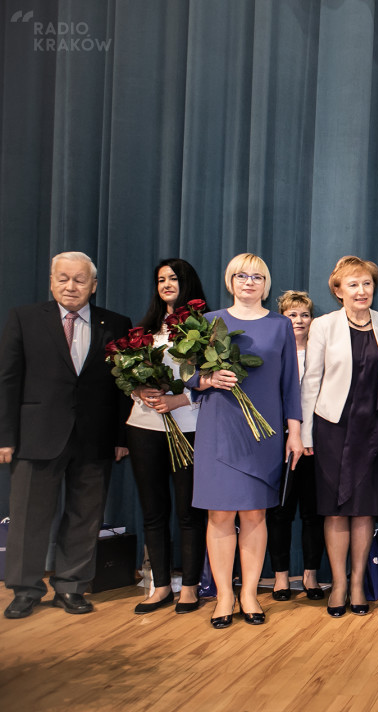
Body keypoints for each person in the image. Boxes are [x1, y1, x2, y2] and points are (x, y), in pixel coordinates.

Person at [1, 251, 131, 620]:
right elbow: (7, 379)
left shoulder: (116, 324)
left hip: (94, 436)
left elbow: (122, 387)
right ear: (52, 281)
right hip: (36, 435)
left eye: (79, 279)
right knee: (28, 516)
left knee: (85, 515)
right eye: (63, 278)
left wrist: (121, 437)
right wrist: (5, 436)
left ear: (93, 285)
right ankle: (25, 590)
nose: (70, 286)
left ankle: (71, 586)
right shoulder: (24, 318)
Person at [193, 253, 304, 628]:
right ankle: (224, 595)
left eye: (257, 276)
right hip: (219, 429)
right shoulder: (210, 322)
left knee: (256, 514)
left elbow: (290, 384)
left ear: (266, 285)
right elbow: (188, 375)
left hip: (264, 432)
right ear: (230, 281)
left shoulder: (280, 325)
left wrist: (295, 432)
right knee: (220, 514)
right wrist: (208, 379)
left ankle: (250, 594)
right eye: (241, 275)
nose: (249, 282)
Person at [301, 258, 378, 617]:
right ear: (338, 291)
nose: (361, 290)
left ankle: (357, 584)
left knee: (364, 510)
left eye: (367, 283)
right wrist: (305, 432)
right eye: (353, 284)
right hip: (333, 428)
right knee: (336, 511)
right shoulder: (323, 326)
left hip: (375, 431)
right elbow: (311, 381)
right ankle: (338, 584)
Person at [127, 259, 209, 615]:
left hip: (188, 426)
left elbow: (213, 379)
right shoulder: (145, 329)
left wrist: (181, 399)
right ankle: (160, 586)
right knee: (153, 511)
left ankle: (189, 587)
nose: (166, 284)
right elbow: (129, 377)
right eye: (161, 279)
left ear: (187, 282)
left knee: (189, 512)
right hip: (144, 427)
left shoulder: (205, 326)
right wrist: (138, 390)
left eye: (173, 278)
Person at [266, 290, 325, 603]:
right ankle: (280, 577)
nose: (299, 320)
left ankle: (310, 575)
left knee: (313, 514)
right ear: (281, 319)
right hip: (280, 444)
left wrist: (309, 436)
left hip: (315, 445)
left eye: (304, 314)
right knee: (280, 513)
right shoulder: (273, 354)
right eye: (292, 315)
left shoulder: (321, 353)